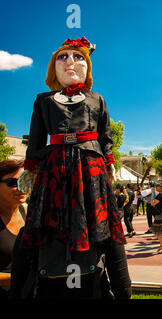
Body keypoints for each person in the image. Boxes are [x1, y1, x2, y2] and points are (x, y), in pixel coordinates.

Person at [11, 37, 130, 299]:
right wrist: (31, 168)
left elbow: (105, 138)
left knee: (99, 222)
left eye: (78, 57)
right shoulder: (42, 100)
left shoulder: (97, 100)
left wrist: (109, 164)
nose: (70, 62)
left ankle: (108, 278)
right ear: (53, 67)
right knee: (47, 220)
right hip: (53, 167)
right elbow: (35, 139)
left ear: (87, 66)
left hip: (90, 167)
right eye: (62, 57)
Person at [0, 160, 27, 299]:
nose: (21, 188)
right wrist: (17, 278)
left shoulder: (27, 212)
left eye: (25, 181)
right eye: (13, 183)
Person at [149, 181, 162, 254]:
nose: (156, 187)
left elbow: (152, 203)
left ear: (161, 187)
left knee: (160, 233)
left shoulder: (160, 195)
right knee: (160, 233)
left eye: (157, 186)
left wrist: (152, 194)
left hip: (160, 216)